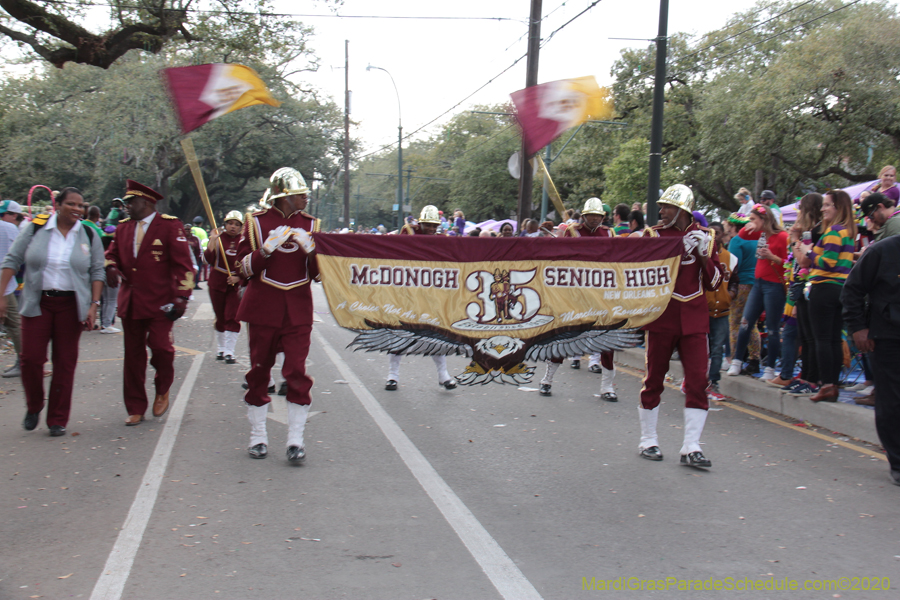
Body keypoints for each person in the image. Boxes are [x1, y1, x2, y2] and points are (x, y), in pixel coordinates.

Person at [0, 188, 105, 436]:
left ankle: (57, 419)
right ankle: (34, 405)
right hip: (38, 303)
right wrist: (1, 296)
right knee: (31, 359)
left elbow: (97, 271)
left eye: (80, 205)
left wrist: (94, 305)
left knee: (65, 363)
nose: (77, 209)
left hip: (71, 306)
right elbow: (12, 260)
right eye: (71, 204)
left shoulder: (88, 233)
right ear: (57, 205)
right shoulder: (36, 228)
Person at [633, 184, 725, 467]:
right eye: (661, 207)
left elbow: (715, 282)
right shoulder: (654, 235)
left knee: (698, 381)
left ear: (682, 210)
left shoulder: (706, 237)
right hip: (662, 317)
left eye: (667, 207)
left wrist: (702, 254)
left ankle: (691, 446)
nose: (661, 211)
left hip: (695, 320)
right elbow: (641, 272)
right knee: (654, 379)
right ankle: (648, 439)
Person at [234, 167, 319, 462]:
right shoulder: (255, 223)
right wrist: (264, 251)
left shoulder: (311, 224)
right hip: (263, 307)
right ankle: (258, 436)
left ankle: (296, 439)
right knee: (259, 372)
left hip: (298, 309)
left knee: (296, 372)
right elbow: (242, 269)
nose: (305, 198)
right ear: (285, 196)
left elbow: (319, 276)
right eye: (300, 194)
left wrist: (312, 253)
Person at [104, 180, 194, 426]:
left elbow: (183, 264)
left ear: (145, 202)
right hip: (131, 302)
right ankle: (135, 407)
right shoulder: (122, 229)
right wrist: (110, 266)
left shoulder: (169, 226)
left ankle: (162, 387)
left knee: (162, 349)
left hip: (161, 302)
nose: (127, 207)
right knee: (133, 358)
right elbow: (111, 253)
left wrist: (182, 296)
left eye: (131, 202)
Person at [841, 234, 900, 485]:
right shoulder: (882, 251)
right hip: (888, 336)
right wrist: (858, 327)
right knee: (892, 400)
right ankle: (898, 461)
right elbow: (852, 289)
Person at [387, 205, 458, 392]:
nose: (432, 229)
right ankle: (392, 375)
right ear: (421, 223)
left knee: (436, 333)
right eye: (428, 225)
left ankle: (443, 375)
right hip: (407, 291)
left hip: (431, 294)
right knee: (399, 331)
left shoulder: (443, 240)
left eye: (434, 226)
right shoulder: (408, 232)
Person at [797, 189, 857, 402]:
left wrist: (808, 251)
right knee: (832, 339)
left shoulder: (833, 232)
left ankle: (827, 384)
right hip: (840, 288)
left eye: (827, 205)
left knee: (822, 339)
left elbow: (828, 262)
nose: (822, 209)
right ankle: (833, 384)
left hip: (824, 288)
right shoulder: (848, 233)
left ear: (838, 208)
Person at [556, 198, 618, 399]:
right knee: (561, 336)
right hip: (576, 293)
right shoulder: (571, 232)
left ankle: (607, 386)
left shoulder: (609, 233)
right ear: (583, 216)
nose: (594, 219)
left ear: (603, 217)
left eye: (598, 215)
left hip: (601, 294)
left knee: (608, 339)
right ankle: (547, 378)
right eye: (590, 215)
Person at [726, 204, 789, 381]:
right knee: (745, 322)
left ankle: (769, 368)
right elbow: (742, 235)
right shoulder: (759, 234)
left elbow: (789, 263)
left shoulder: (782, 237)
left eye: (753, 219)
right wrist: (750, 225)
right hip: (758, 283)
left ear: (764, 219)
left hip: (774, 285)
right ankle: (737, 361)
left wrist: (772, 257)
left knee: (773, 328)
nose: (750, 222)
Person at [205, 211, 243, 363]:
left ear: (241, 227)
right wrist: (212, 241)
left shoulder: (244, 241)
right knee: (220, 316)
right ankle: (221, 348)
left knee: (232, 316)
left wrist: (239, 277)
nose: (233, 227)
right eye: (230, 223)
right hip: (217, 281)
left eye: (236, 224)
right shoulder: (218, 238)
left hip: (235, 284)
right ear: (225, 224)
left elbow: (249, 263)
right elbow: (208, 259)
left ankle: (229, 351)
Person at [725, 212, 761, 375]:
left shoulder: (736, 241)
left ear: (733, 226)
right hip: (756, 284)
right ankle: (754, 358)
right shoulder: (756, 240)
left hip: (741, 284)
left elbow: (733, 266)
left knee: (734, 322)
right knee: (750, 323)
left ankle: (734, 359)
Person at [706, 222, 737, 401]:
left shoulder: (731, 258)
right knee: (702, 349)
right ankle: (694, 379)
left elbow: (734, 280)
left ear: (723, 235)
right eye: (711, 233)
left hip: (722, 310)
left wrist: (730, 294)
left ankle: (713, 381)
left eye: (717, 233)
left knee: (717, 348)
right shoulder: (702, 256)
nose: (714, 236)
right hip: (704, 310)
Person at [0, 200, 24, 378]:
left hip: (6, 287)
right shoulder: (10, 229)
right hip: (5, 288)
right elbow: (17, 260)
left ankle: (25, 363)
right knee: (15, 326)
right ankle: (25, 363)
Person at [98, 225, 120, 334]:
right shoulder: (115, 246)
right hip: (112, 274)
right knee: (112, 300)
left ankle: (104, 323)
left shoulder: (100, 245)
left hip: (102, 273)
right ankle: (107, 325)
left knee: (106, 300)